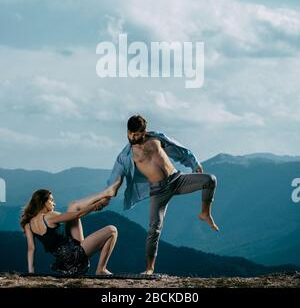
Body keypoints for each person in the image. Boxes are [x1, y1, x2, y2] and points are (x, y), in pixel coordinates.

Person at [106, 115, 219, 275]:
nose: (133, 137)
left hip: (177, 180)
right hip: (158, 191)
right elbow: (114, 178)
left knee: (210, 180)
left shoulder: (156, 138)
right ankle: (150, 268)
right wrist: (107, 194)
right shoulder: (125, 156)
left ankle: (205, 213)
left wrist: (194, 163)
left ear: (144, 131)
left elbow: (180, 150)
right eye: (130, 133)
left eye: (137, 134)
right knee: (154, 229)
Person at [21, 184, 119, 276]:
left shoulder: (28, 224)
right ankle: (101, 270)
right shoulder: (49, 216)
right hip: (75, 257)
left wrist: (31, 273)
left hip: (66, 266)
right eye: (51, 200)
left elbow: (31, 249)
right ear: (43, 202)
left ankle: (104, 194)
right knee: (112, 230)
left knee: (73, 205)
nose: (54, 203)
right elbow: (77, 215)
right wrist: (95, 206)